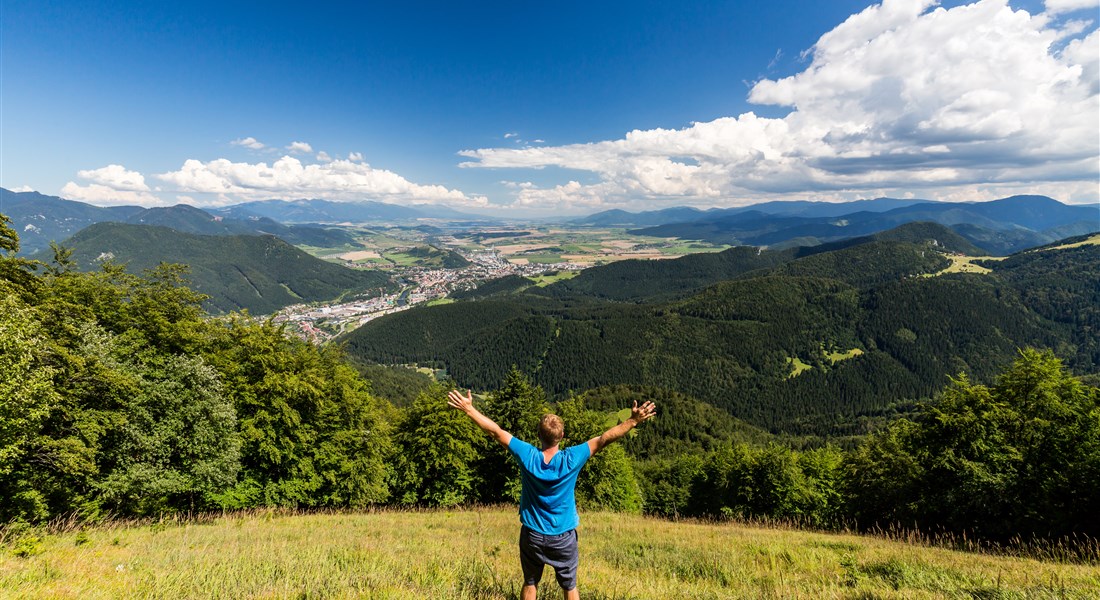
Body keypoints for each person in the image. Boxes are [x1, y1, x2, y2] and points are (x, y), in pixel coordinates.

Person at [447, 388, 656, 600]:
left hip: (532, 535)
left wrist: (469, 409)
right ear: (562, 436)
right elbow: (604, 439)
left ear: (539, 435)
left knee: (530, 582)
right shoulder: (572, 459)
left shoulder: (527, 455)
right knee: (569, 586)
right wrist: (633, 421)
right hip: (564, 536)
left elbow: (496, 432)